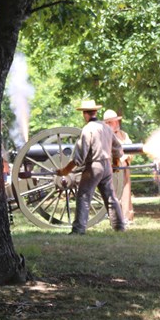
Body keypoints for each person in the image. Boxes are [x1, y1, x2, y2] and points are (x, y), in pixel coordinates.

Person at [57, 100, 127, 234]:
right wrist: (116, 163)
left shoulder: (87, 129)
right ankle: (119, 226)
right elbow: (117, 147)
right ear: (95, 112)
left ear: (85, 114)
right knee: (111, 197)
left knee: (83, 196)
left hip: (94, 166)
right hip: (107, 166)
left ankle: (78, 229)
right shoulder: (106, 127)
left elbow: (79, 157)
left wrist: (65, 171)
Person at [103, 109, 134, 223]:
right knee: (113, 192)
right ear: (106, 124)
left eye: (115, 121)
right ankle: (114, 215)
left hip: (124, 167)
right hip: (111, 168)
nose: (115, 124)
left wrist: (124, 159)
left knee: (125, 193)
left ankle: (127, 216)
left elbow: (131, 150)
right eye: (111, 122)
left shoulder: (124, 135)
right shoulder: (104, 135)